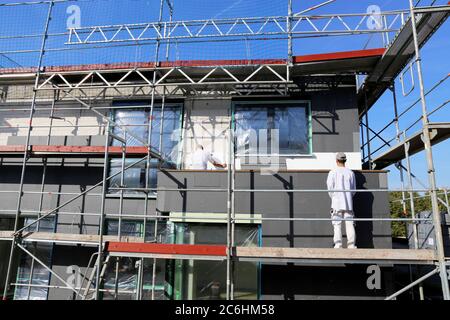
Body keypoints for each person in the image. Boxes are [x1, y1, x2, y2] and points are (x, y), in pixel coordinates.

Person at [326, 152, 357, 249]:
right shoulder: (350, 173)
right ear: (345, 161)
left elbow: (330, 188)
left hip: (336, 202)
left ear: (336, 160)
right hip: (348, 202)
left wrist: (334, 197)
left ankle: (338, 244)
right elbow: (354, 190)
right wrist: (348, 197)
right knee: (349, 223)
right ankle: (351, 245)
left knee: (336, 224)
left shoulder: (333, 172)